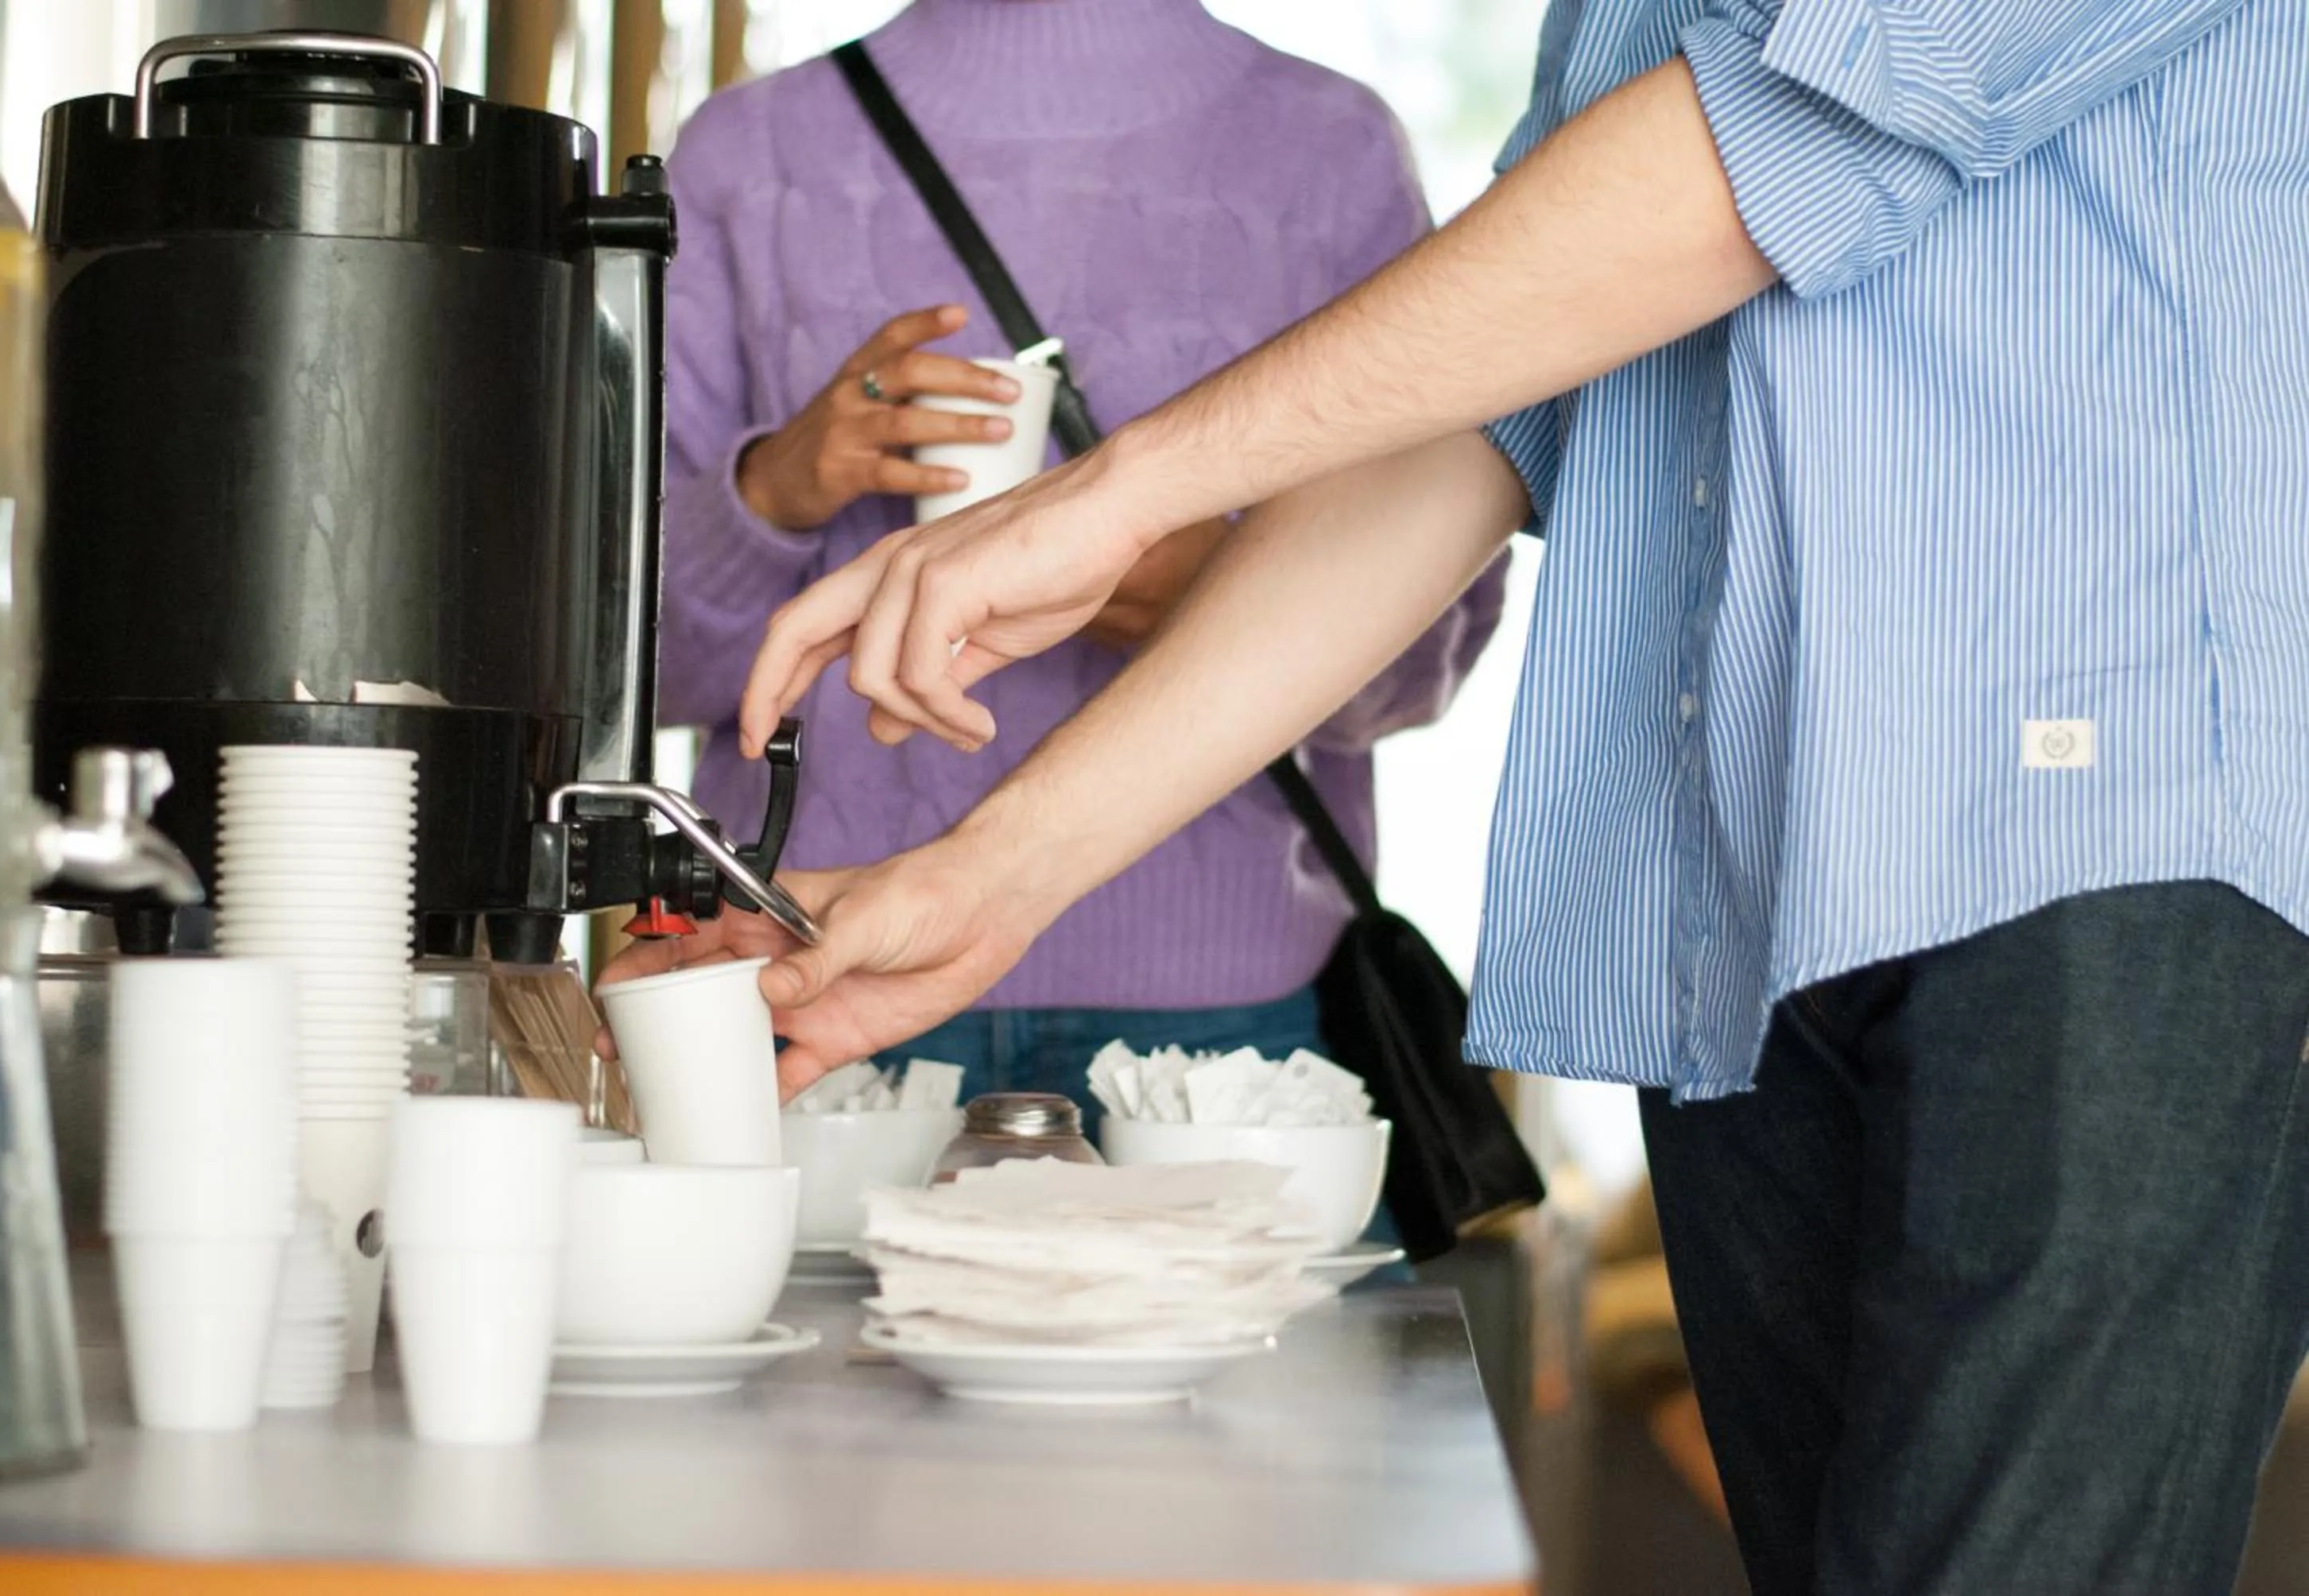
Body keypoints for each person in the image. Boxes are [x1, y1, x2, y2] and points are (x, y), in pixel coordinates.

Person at [608, 2, 2309, 1589]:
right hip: (1737, 893)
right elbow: (1510, 396)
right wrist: (997, 867)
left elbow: (1767, 145)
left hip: (2103, 848)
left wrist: (1119, 493)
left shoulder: (1343, 135)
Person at [653, 0, 1504, 1118]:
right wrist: (772, 489)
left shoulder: (1333, 148)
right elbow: (633, 676)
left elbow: (1431, 656)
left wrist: (1210, 596)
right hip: (814, 972)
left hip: (1226, 1022)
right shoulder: (745, 153)